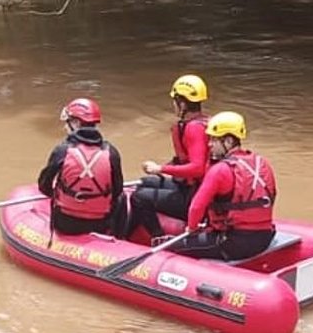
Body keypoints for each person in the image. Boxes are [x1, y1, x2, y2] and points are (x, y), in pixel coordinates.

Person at [175, 111, 278, 261]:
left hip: (234, 243)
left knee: (175, 247)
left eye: (214, 140)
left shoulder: (220, 170)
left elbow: (196, 208)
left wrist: (191, 229)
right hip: (265, 237)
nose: (209, 144)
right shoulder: (262, 163)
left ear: (228, 141)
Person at [123, 74, 210, 242]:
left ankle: (158, 236)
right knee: (145, 182)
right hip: (191, 188)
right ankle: (126, 237)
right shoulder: (201, 123)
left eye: (175, 101)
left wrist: (160, 169)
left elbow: (197, 167)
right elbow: (186, 161)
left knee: (138, 197)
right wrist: (165, 167)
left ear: (182, 103)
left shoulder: (194, 129)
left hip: (196, 197)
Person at [37, 98, 125, 236]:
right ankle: (119, 237)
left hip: (65, 223)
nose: (65, 127)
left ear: (76, 123)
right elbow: (117, 190)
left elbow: (44, 186)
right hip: (100, 223)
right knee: (123, 198)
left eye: (68, 122)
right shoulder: (112, 153)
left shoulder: (62, 150)